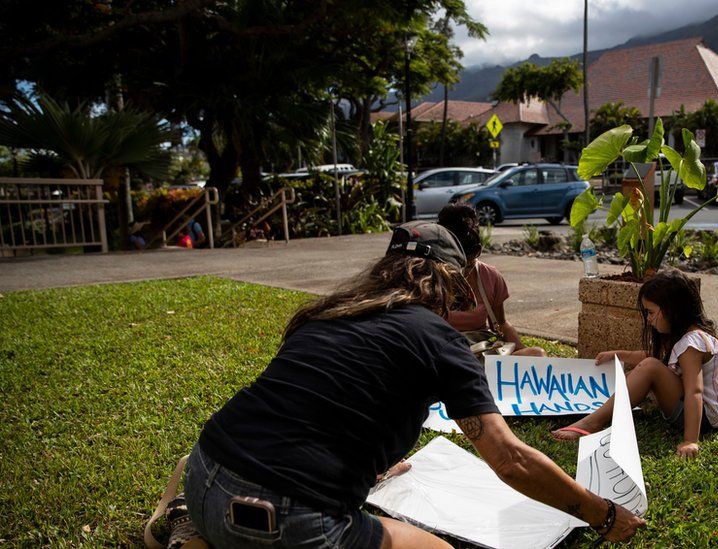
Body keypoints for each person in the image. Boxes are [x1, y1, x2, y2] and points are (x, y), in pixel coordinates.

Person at [183, 220, 644, 548]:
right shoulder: (439, 339)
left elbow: (315, 407)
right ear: (445, 283)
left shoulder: (328, 312)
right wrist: (599, 512)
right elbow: (510, 460)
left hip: (202, 474)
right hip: (289, 520)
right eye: (458, 294)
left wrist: (373, 466)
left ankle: (186, 529)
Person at [552, 270, 718, 459]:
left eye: (651, 312)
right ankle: (595, 412)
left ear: (673, 309)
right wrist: (620, 354)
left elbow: (695, 391)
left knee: (650, 367)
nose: (648, 319)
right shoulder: (684, 337)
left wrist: (690, 440)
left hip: (702, 420)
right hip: (692, 411)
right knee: (640, 370)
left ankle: (591, 423)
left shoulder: (692, 344)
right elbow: (659, 355)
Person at [438, 203, 546, 357]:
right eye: (459, 263)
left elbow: (501, 323)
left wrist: (522, 351)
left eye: (471, 260)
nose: (465, 269)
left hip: (478, 352)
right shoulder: (428, 278)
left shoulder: (489, 276)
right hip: (443, 353)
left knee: (537, 354)